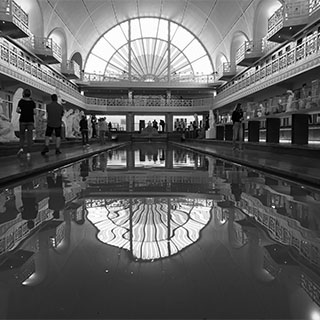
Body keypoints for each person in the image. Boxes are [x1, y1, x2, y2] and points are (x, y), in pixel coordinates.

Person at [16, 88, 36, 159]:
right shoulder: (33, 102)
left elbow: (17, 110)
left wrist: (22, 112)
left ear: (23, 94)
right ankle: (28, 153)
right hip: (30, 120)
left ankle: (21, 148)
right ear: (30, 94)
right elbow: (35, 112)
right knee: (29, 137)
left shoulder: (21, 101)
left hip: (22, 120)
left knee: (22, 136)